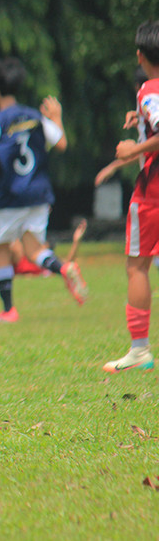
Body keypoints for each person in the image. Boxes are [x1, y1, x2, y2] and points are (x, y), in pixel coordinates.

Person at [0, 57, 87, 325]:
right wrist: (57, 118)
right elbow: (61, 143)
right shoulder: (34, 116)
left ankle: (8, 310)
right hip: (39, 194)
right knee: (33, 249)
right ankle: (64, 267)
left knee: (1, 250)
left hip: (10, 196)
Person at [95, 21, 159, 373]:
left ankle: (139, 350)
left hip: (153, 190)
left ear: (140, 55)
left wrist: (134, 147)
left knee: (137, 265)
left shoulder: (149, 88)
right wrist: (141, 122)